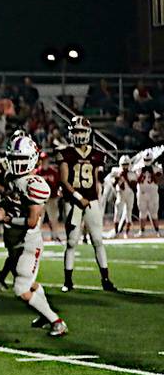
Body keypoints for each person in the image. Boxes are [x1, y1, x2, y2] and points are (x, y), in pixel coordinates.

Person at [0, 137, 66, 336]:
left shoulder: (35, 184)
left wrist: (5, 219)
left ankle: (57, 321)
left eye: (21, 158)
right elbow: (7, 199)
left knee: (20, 288)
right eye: (13, 158)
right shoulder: (12, 178)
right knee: (29, 283)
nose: (16, 162)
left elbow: (31, 221)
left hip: (29, 241)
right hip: (15, 241)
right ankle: (45, 315)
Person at [56, 116, 116, 292]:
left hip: (91, 202)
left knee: (98, 239)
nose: (78, 134)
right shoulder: (65, 153)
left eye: (81, 131)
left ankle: (105, 279)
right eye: (75, 131)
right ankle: (68, 281)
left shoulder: (97, 155)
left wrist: (96, 198)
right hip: (74, 202)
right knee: (72, 242)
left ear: (88, 133)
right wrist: (77, 196)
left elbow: (97, 179)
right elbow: (64, 180)